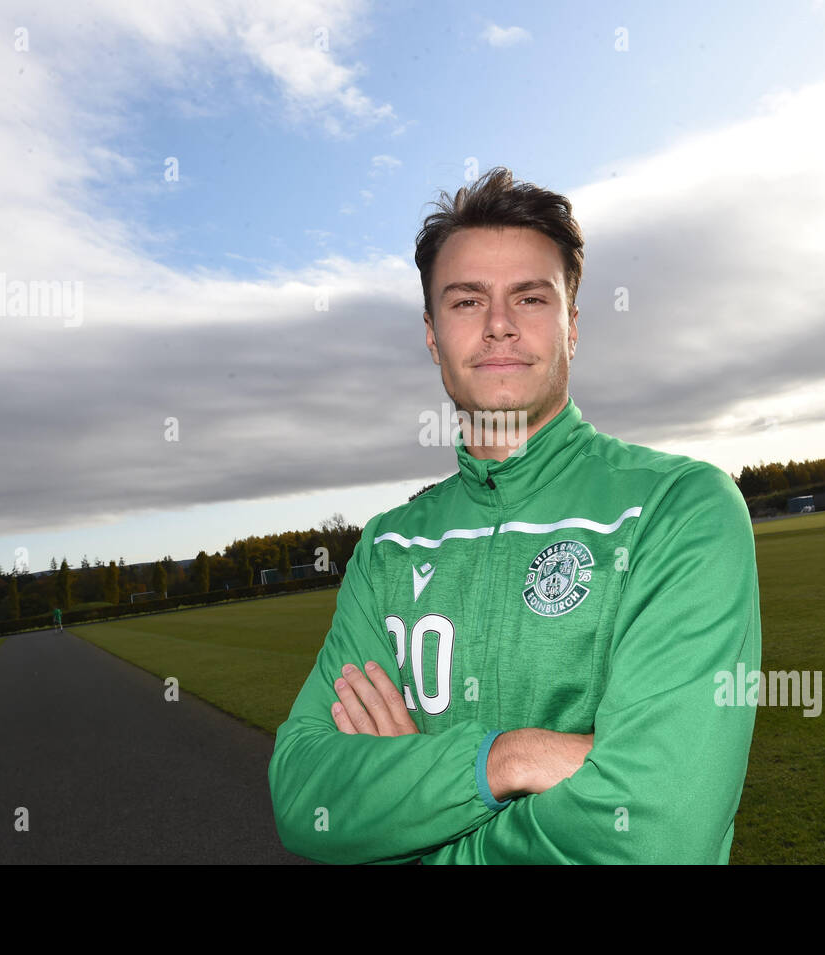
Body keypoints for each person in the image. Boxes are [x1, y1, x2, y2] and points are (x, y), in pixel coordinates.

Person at [268, 167, 761, 864]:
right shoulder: (388, 548)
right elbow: (302, 797)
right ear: (433, 337)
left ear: (572, 326)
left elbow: (656, 834)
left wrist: (410, 826)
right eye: (467, 302)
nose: (499, 324)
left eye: (530, 297)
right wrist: (505, 759)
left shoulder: (678, 509)